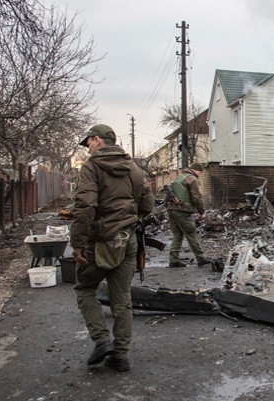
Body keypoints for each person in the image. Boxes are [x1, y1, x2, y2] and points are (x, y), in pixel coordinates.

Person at [69, 124, 154, 373]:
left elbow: (85, 206)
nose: (87, 148)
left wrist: (77, 243)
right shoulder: (132, 167)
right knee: (122, 299)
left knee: (85, 288)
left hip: (100, 241)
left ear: (97, 140)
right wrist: (131, 217)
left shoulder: (92, 167)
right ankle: (120, 356)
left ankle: (101, 340)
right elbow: (147, 203)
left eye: (88, 143)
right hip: (127, 239)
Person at [167, 162, 211, 268]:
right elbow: (196, 197)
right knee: (191, 234)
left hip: (171, 209)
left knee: (177, 235)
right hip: (183, 210)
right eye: (200, 173)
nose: (200, 175)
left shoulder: (179, 177)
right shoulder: (192, 179)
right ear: (197, 170)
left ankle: (173, 260)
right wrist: (202, 212)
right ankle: (201, 258)